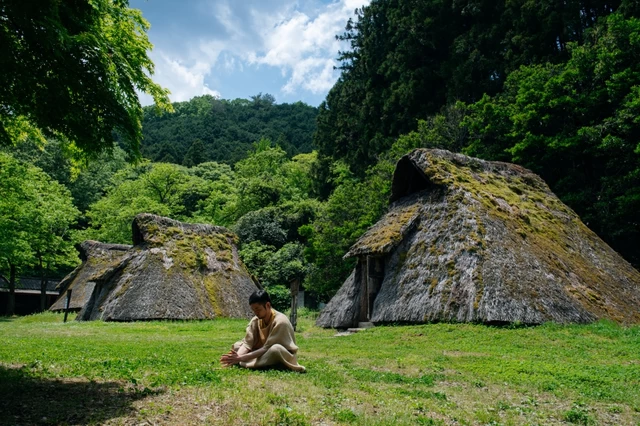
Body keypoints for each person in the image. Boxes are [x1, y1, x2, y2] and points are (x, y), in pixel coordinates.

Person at [220, 290, 305, 372]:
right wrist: (238, 356)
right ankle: (262, 363)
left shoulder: (280, 321)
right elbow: (247, 344)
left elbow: (267, 348)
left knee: (275, 350)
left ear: (267, 305)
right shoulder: (255, 320)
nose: (256, 313)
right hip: (263, 351)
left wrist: (240, 358)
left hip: (283, 354)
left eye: (258, 309)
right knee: (237, 346)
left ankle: (249, 362)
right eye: (253, 310)